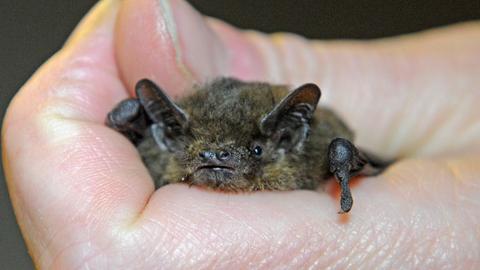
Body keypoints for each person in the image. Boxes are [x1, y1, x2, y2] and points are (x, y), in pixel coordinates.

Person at [2, 0, 479, 268]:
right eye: (199, 147)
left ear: (283, 140)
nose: (215, 158)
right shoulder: (160, 150)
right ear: (171, 139)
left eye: (249, 150)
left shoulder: (309, 146)